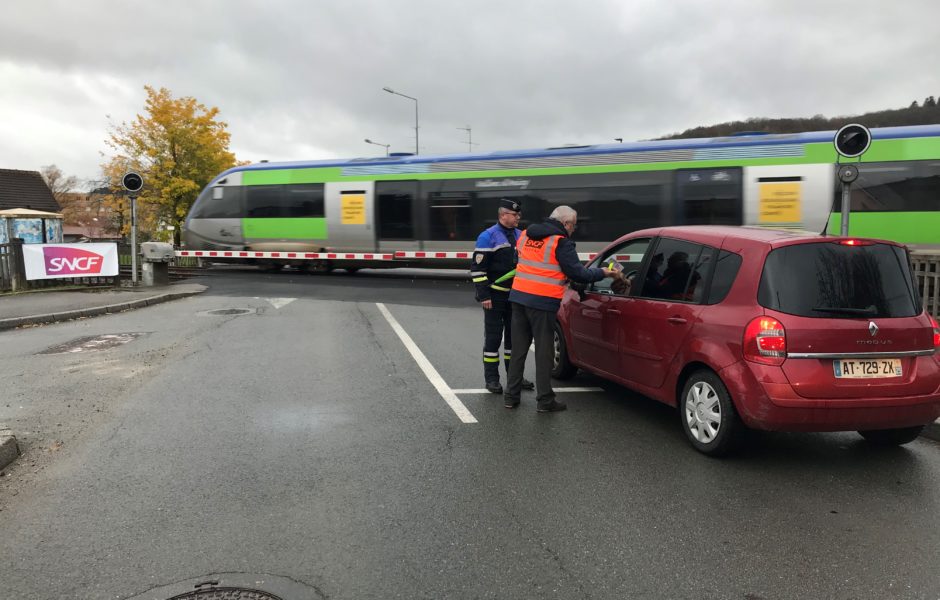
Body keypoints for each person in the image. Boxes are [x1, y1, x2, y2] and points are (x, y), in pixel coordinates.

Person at [504, 205, 617, 412]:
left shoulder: (526, 234)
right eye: (573, 225)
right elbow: (579, 274)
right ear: (565, 223)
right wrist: (604, 273)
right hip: (542, 303)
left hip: (518, 298)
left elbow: (517, 262)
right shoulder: (560, 242)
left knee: (519, 349)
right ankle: (545, 400)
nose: (573, 230)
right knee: (544, 353)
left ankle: (511, 397)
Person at [470, 198, 535, 394]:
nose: (518, 217)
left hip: (515, 296)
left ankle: (514, 377)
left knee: (514, 340)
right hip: (494, 297)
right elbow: (478, 270)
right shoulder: (487, 237)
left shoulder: (520, 235)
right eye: (515, 215)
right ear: (503, 215)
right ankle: (492, 379)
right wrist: (484, 296)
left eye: (518, 215)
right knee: (493, 339)